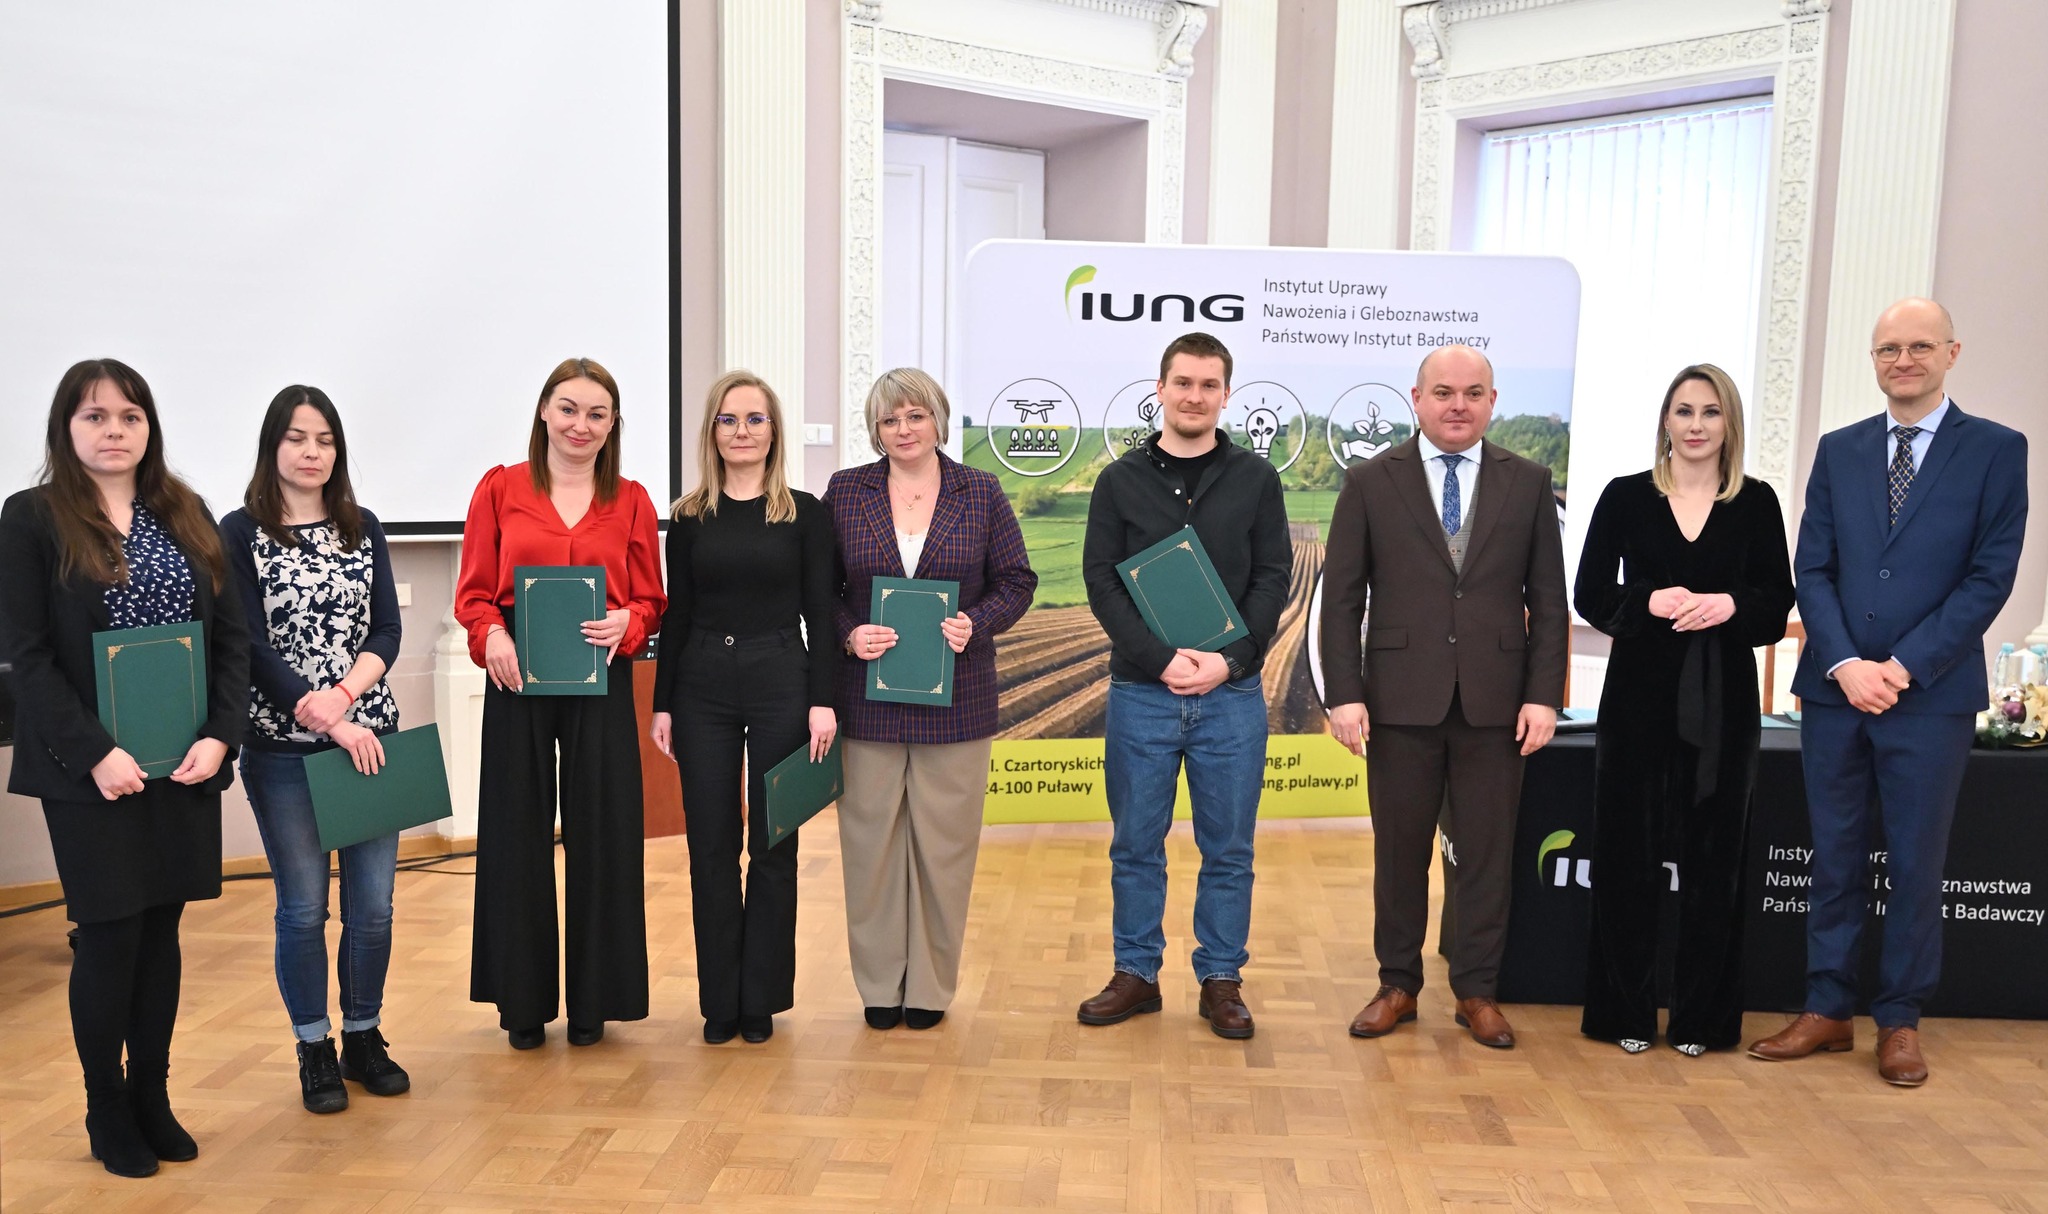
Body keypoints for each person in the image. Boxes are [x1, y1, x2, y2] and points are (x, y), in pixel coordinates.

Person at [1750, 299, 2027, 1086]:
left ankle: (1899, 1021)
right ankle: (1827, 1008)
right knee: (1834, 857)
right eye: (1887, 349)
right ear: (1873, 360)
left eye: (1919, 347)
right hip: (1836, 692)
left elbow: (1989, 577)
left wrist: (1902, 667)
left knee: (1914, 864)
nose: (1903, 360)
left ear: (1951, 353)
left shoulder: (1997, 450)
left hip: (1930, 697)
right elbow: (1814, 568)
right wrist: (1845, 663)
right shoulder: (1839, 450)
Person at [0, 359, 249, 1177]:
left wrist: (220, 736)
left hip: (183, 765)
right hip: (89, 772)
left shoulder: (186, 512)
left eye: (130, 416)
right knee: (109, 936)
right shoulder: (32, 518)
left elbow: (230, 639)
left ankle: (152, 1095)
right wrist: (95, 754)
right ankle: (105, 1107)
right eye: (95, 416)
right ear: (65, 428)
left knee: (162, 932)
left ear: (150, 428)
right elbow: (26, 657)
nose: (114, 430)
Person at [1319, 343, 1567, 1049]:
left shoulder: (1529, 482)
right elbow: (1341, 600)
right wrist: (1344, 694)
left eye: (1473, 393)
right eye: (1444, 393)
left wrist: (1543, 696)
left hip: (1497, 706)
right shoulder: (1370, 481)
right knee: (1400, 855)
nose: (1458, 405)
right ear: (1417, 399)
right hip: (1399, 703)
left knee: (1486, 855)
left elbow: (1549, 602)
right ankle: (1397, 985)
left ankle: (1477, 991)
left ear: (1493, 402)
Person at [1076, 331, 1292, 1040]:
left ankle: (1221, 980)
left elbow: (1273, 579)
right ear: (1160, 389)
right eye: (1183, 383)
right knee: (1135, 844)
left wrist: (1230, 660)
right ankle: (1135, 974)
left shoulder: (1257, 480)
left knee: (1229, 850)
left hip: (1231, 697)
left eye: (1208, 385)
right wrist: (1159, 658)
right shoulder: (1119, 481)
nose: (1194, 396)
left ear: (1226, 395)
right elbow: (1102, 581)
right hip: (1143, 692)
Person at [1574, 365, 1793, 1056]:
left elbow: (1775, 604)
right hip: (1637, 697)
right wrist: (1647, 600)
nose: (1696, 424)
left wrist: (1730, 605)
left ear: (1730, 423)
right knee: (1625, 857)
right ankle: (1624, 1014)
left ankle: (1704, 1021)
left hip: (1725, 701)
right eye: (1684, 411)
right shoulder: (1625, 496)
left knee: (1715, 862)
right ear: (1665, 421)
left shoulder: (1756, 502)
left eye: (1710, 411)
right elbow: (1589, 593)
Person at [454, 357, 666, 1050]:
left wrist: (628, 621)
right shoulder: (499, 488)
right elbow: (474, 594)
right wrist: (491, 636)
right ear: (545, 410)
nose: (581, 424)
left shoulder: (631, 499)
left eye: (597, 414)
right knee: (515, 831)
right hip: (517, 677)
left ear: (613, 424)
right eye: (569, 409)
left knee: (604, 832)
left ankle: (595, 1000)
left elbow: (651, 599)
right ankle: (522, 1002)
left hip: (600, 678)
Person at [825, 367, 1036, 1031]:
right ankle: (880, 987)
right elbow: (820, 589)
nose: (903, 429)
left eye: (915, 416)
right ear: (875, 429)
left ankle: (929, 991)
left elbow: (1017, 580)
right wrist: (848, 632)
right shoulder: (845, 491)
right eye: (890, 419)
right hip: (868, 701)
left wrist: (978, 622)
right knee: (870, 851)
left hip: (959, 702)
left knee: (945, 853)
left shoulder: (981, 490)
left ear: (938, 420)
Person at [219, 386, 411, 1112]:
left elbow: (386, 629)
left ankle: (363, 1035)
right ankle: (314, 1047)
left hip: (370, 742)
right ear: (272, 446)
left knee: (374, 907)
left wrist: (347, 699)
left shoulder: (365, 527)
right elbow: (248, 644)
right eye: (297, 438)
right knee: (303, 908)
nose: (311, 452)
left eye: (325, 439)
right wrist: (326, 716)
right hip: (283, 749)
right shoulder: (240, 531)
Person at [649, 372, 839, 1045]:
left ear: (774, 431)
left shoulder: (804, 514)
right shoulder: (689, 517)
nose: (742, 432)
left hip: (782, 678)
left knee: (773, 844)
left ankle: (760, 999)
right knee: (711, 846)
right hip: (701, 686)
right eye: (728, 420)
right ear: (712, 431)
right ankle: (720, 1002)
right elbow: (676, 615)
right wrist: (663, 704)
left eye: (755, 419)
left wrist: (823, 700)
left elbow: (821, 612)